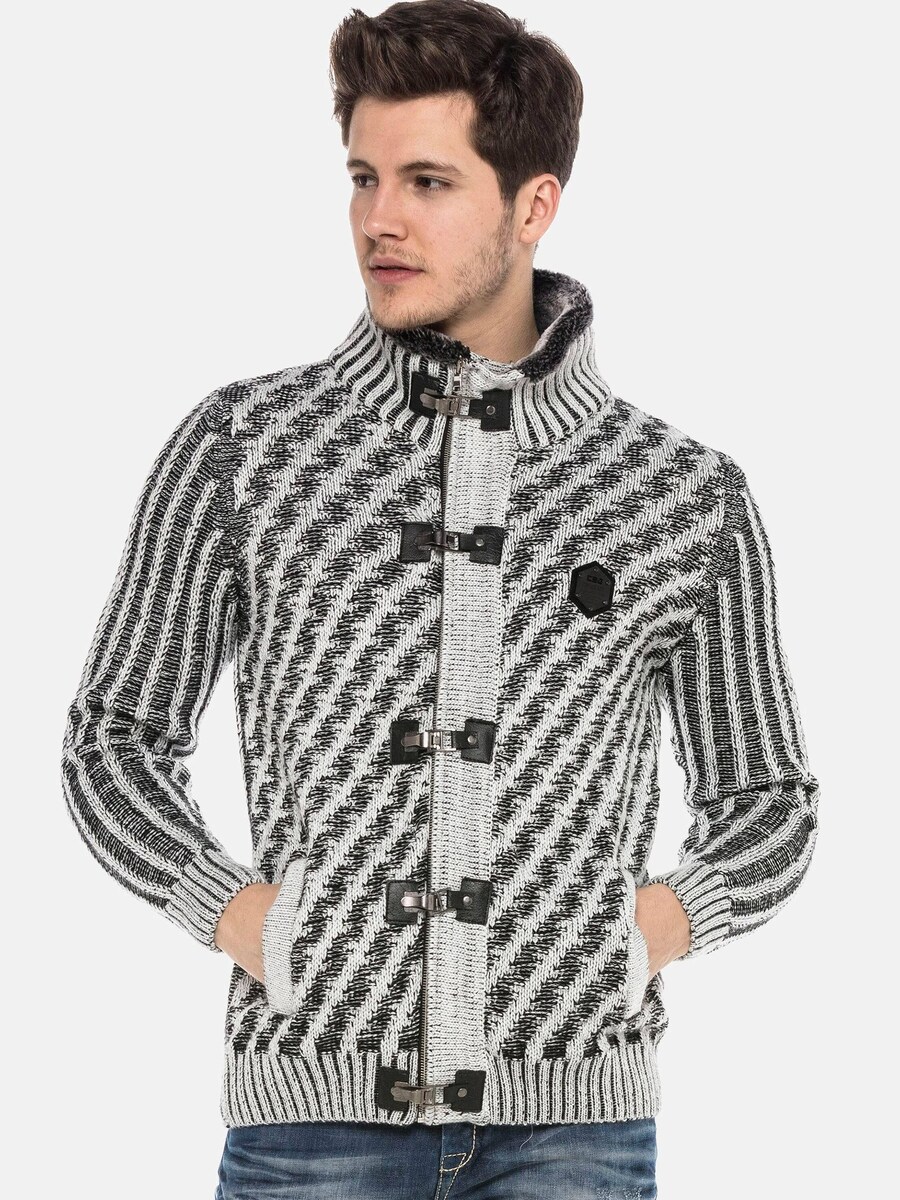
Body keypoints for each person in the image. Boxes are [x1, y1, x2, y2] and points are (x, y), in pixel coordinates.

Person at [60, 2, 819, 1197]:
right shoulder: (246, 449)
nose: (380, 219)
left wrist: (647, 933)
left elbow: (769, 800)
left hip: (576, 1135)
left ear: (533, 205)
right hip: (314, 1126)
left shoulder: (679, 493)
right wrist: (242, 916)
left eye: (427, 182)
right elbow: (112, 740)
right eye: (363, 177)